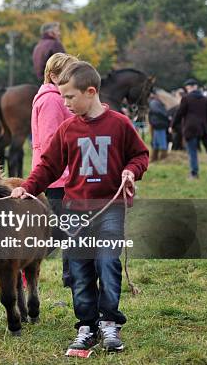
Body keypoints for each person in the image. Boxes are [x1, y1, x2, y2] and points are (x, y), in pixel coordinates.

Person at [11, 61, 149, 353]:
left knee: (107, 262)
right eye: (62, 97)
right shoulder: (68, 129)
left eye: (69, 97)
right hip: (76, 210)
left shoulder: (120, 124)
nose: (64, 103)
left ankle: (110, 322)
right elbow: (48, 166)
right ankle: (86, 325)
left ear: (90, 91)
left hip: (110, 208)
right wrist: (29, 186)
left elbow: (140, 155)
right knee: (80, 268)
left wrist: (130, 171)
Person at [31, 52, 78, 288]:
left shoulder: (59, 98)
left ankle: (71, 276)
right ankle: (23, 265)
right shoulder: (51, 100)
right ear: (53, 75)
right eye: (68, 74)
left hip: (64, 173)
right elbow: (51, 140)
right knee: (59, 232)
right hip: (59, 176)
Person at [171, 78, 207, 179]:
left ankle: (194, 173)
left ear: (190, 87)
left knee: (192, 152)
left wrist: (172, 125)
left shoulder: (186, 98)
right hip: (203, 129)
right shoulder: (205, 99)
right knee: (204, 149)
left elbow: (179, 113)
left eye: (187, 88)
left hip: (190, 128)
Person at [148, 92, 170, 161]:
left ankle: (157, 158)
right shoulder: (155, 102)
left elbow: (156, 112)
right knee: (159, 142)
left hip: (157, 124)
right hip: (159, 124)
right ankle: (160, 157)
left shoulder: (154, 102)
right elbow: (159, 112)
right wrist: (167, 116)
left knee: (158, 142)